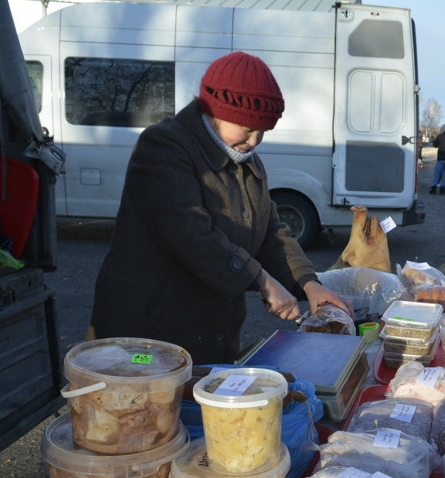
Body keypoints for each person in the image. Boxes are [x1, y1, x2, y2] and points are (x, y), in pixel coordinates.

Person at [89, 51, 352, 364]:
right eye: (246, 128)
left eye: (263, 131)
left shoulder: (246, 163)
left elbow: (270, 232)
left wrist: (309, 284)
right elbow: (190, 234)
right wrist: (263, 282)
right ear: (213, 111)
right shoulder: (163, 146)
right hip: (147, 340)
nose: (254, 141)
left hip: (208, 339)